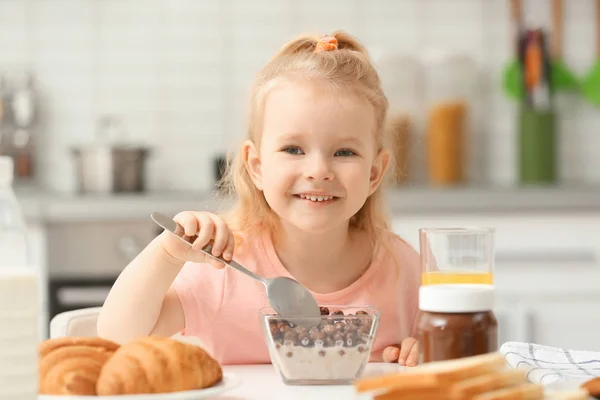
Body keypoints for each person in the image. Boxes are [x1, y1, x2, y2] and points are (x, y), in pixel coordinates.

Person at [97, 31, 421, 367]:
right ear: (257, 166)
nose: (318, 170)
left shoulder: (405, 271)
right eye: (293, 149)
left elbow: (456, 354)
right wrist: (167, 253)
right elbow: (116, 341)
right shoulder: (223, 266)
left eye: (344, 152)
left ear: (373, 173)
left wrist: (430, 352)